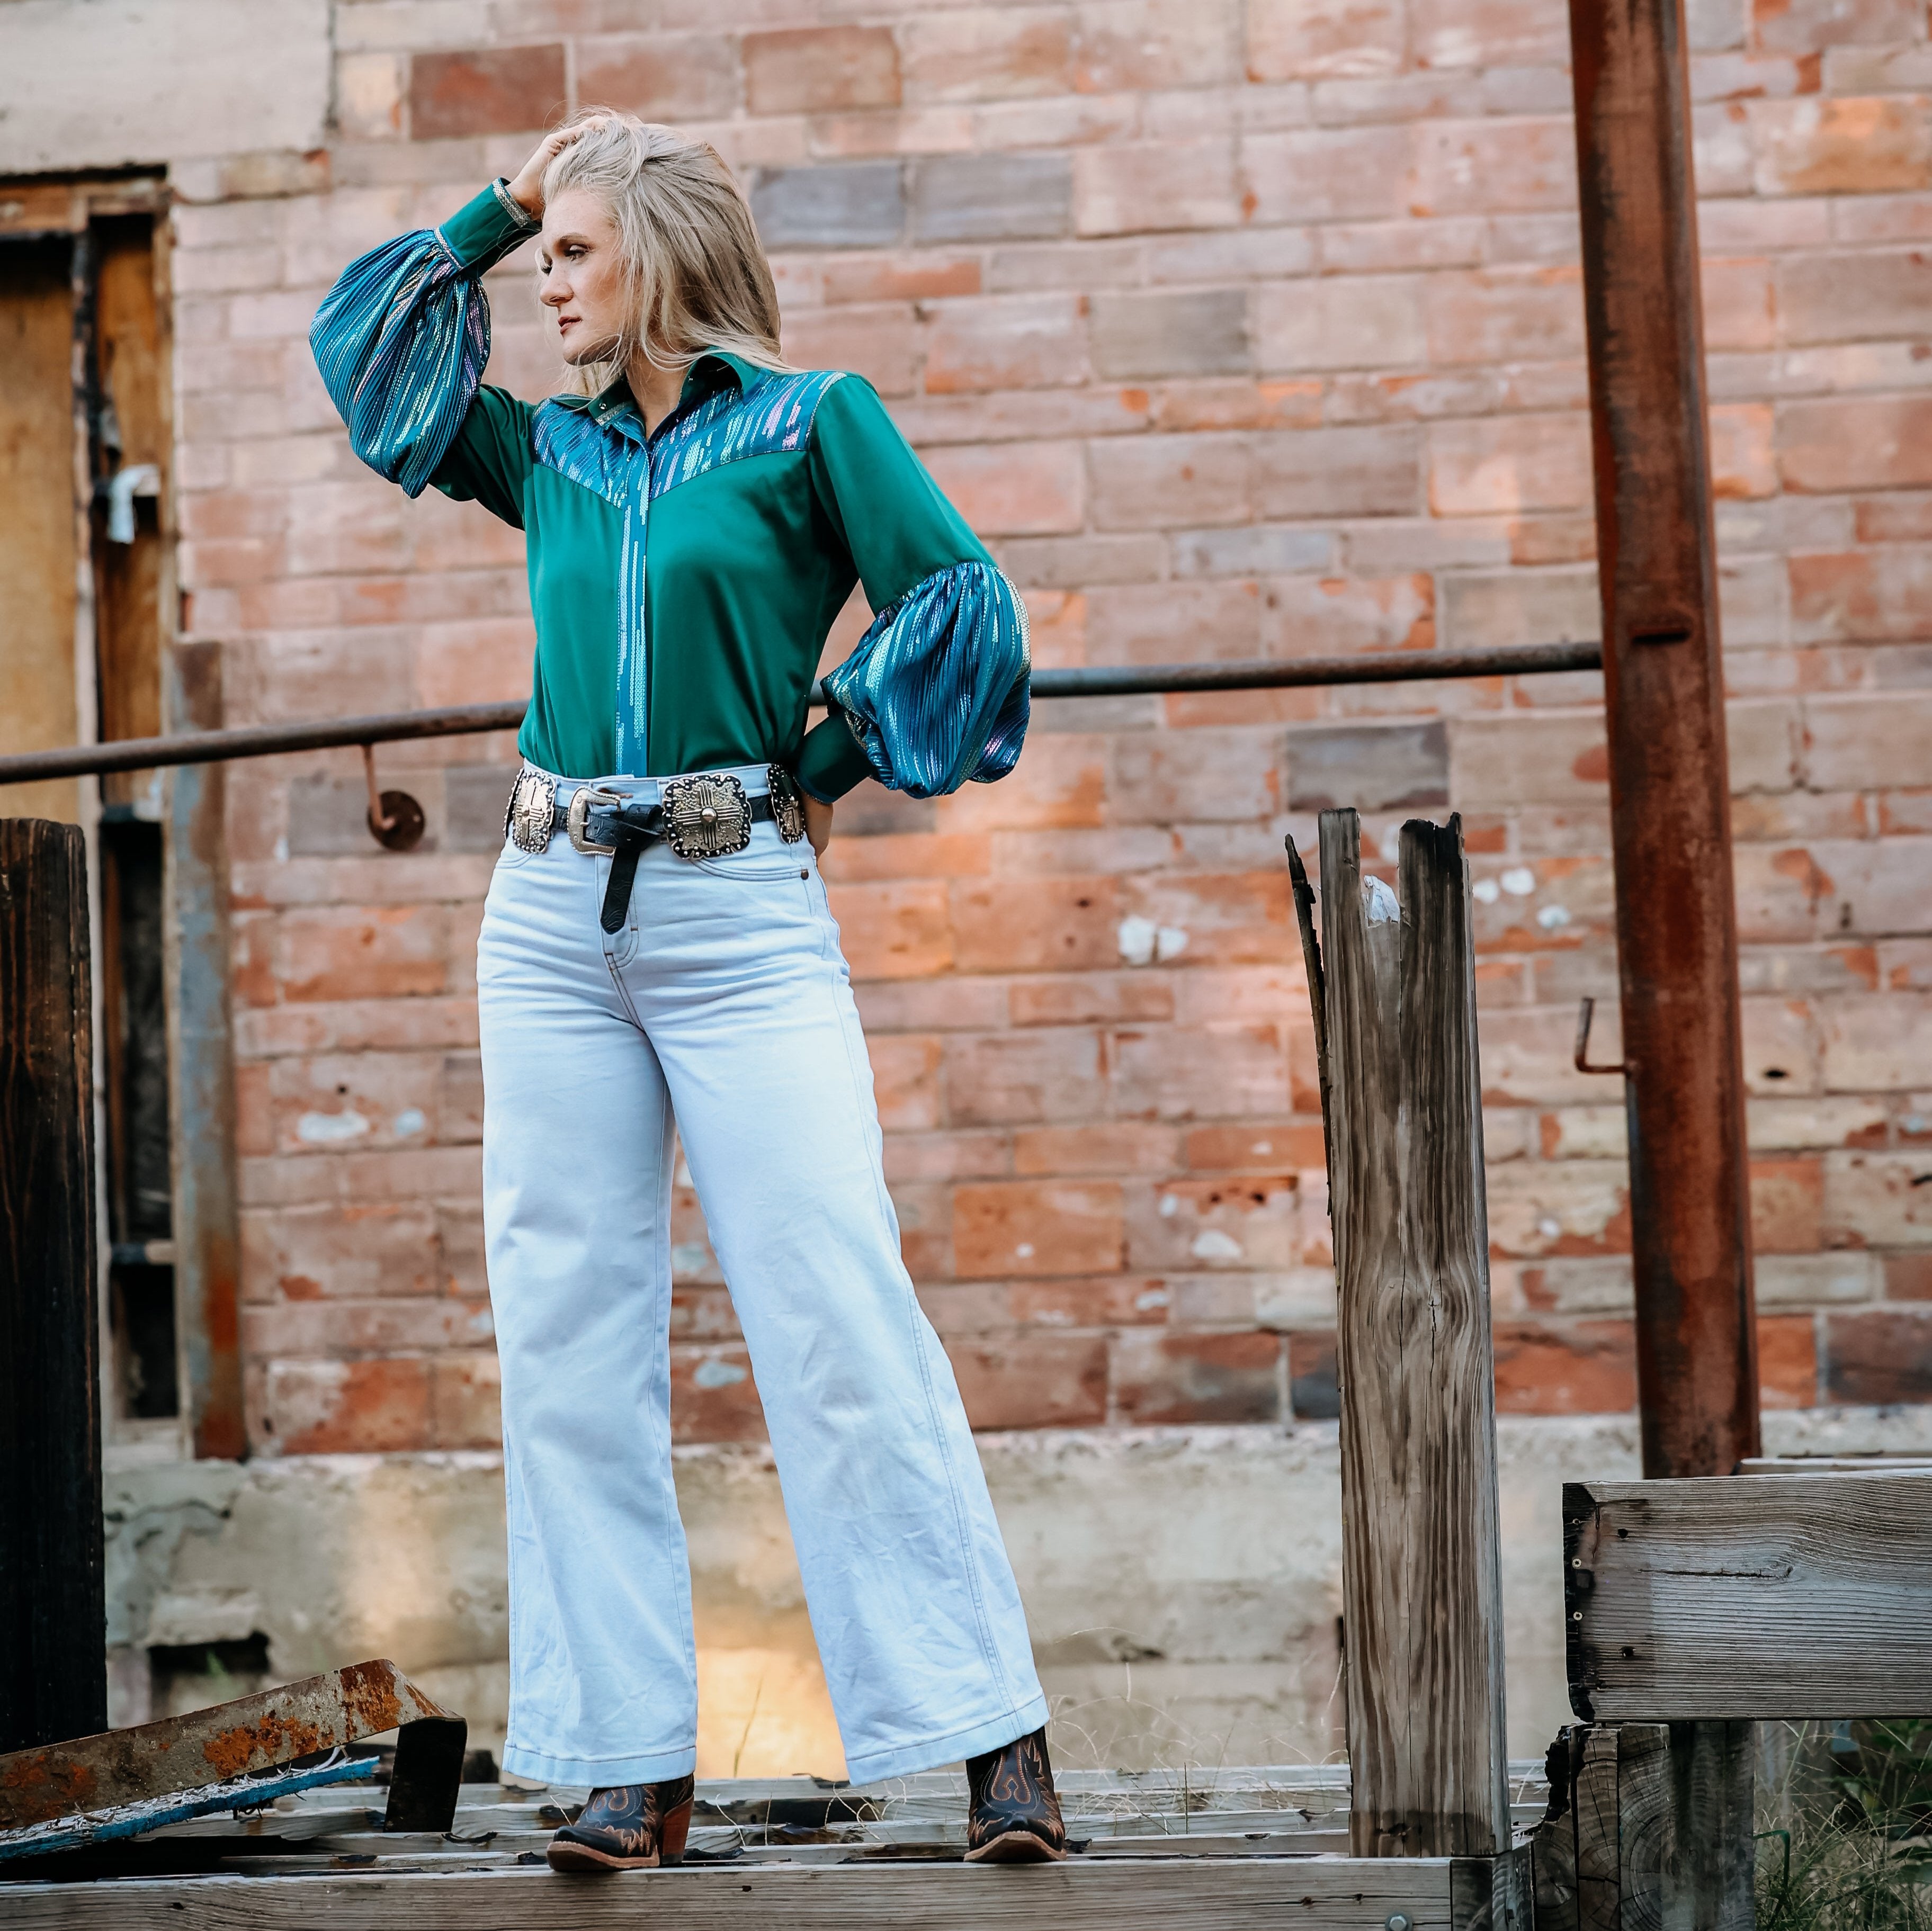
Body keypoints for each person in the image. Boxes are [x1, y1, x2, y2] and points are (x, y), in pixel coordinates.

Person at [310, 111, 1065, 1872]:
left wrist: (825, 748)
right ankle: (624, 1762)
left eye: (574, 254)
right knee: (567, 1334)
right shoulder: (542, 457)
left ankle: (988, 1737)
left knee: (833, 1304)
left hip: (739, 911)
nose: (544, 287)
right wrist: (500, 202)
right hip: (551, 909)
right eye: (543, 255)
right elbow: (368, 359)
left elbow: (962, 603)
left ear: (656, 255)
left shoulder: (818, 424)